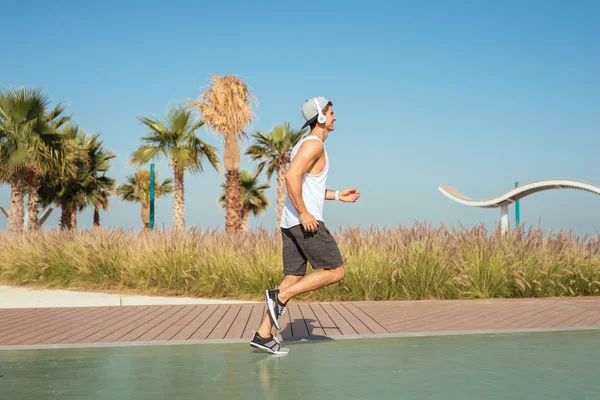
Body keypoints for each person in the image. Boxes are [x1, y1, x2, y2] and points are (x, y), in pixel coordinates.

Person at [249, 97, 360, 355]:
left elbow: (307, 186)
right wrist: (304, 213)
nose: (335, 117)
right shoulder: (314, 145)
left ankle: (263, 333)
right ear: (321, 117)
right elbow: (290, 177)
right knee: (336, 271)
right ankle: (280, 297)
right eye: (331, 113)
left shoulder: (305, 144)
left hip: (290, 224)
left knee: (293, 277)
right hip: (304, 223)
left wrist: (337, 195)